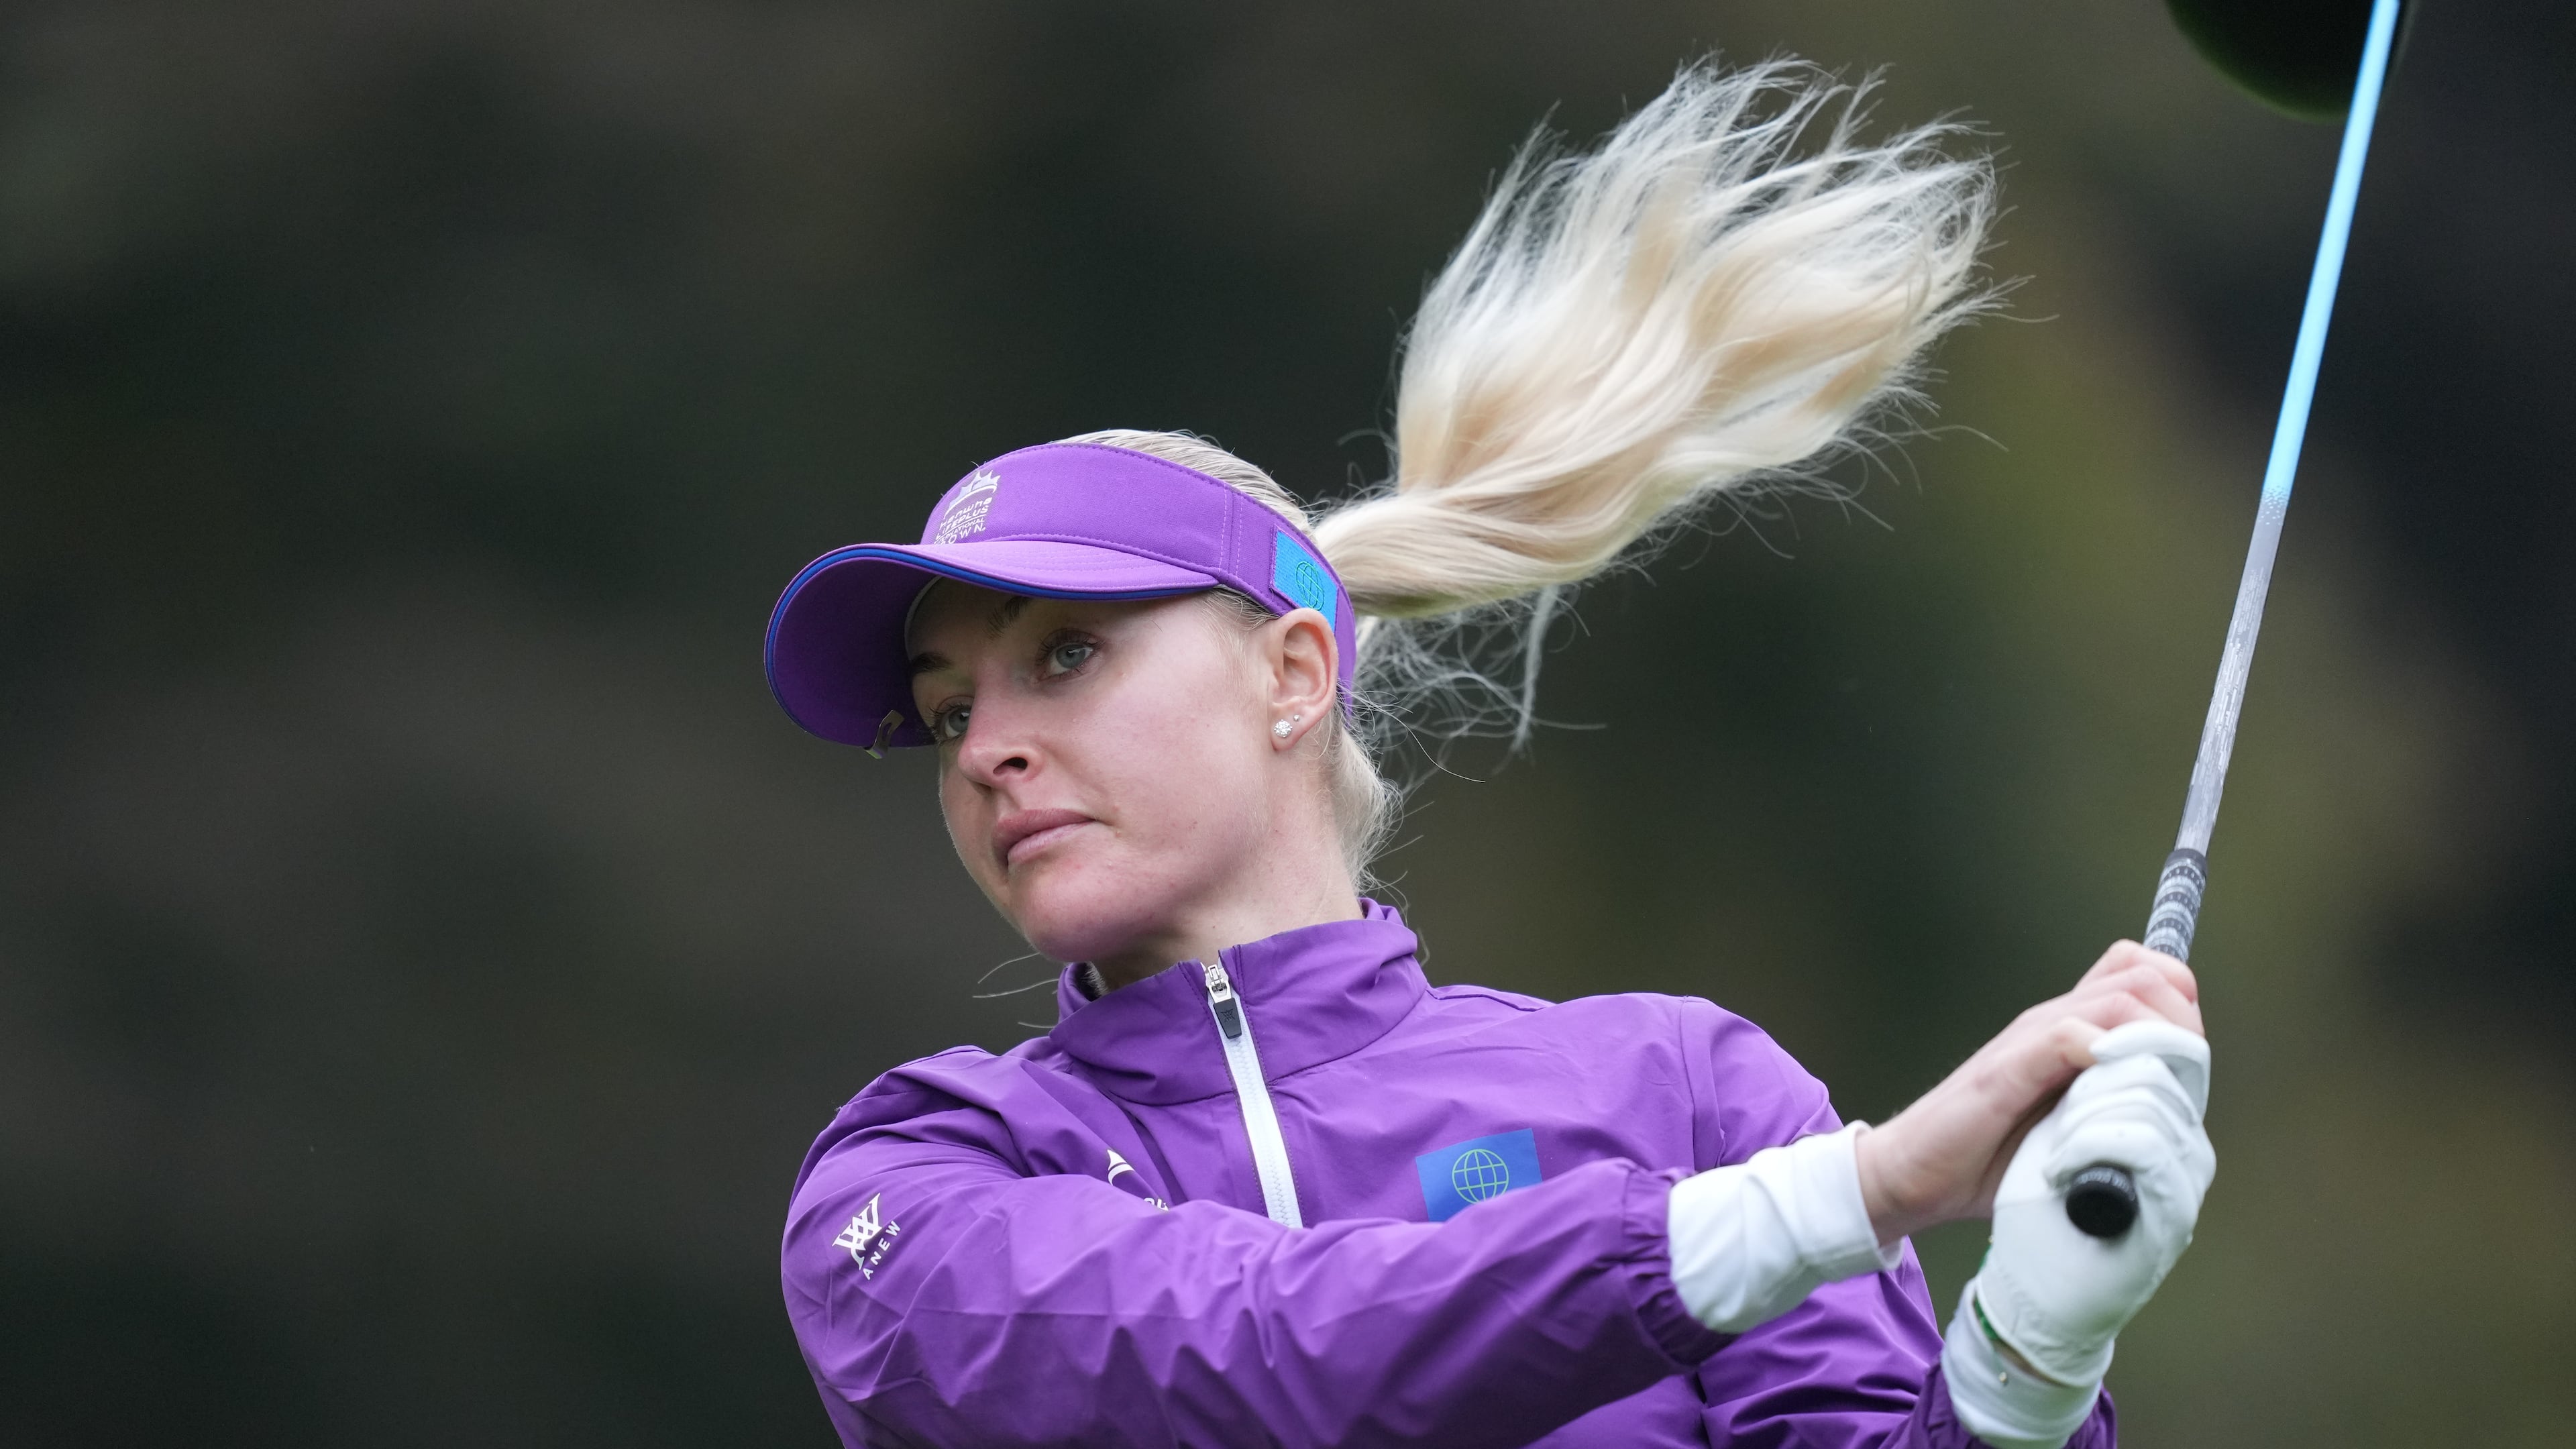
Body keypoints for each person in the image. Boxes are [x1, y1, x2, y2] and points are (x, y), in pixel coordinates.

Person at [765, 61, 2215, 1449]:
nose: (986, 753)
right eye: (949, 712)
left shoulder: (1682, 1097)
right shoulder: (913, 1182)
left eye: (1063, 658)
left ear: (1293, 674)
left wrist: (2028, 1357)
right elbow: (1271, 1355)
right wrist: (1857, 1191)